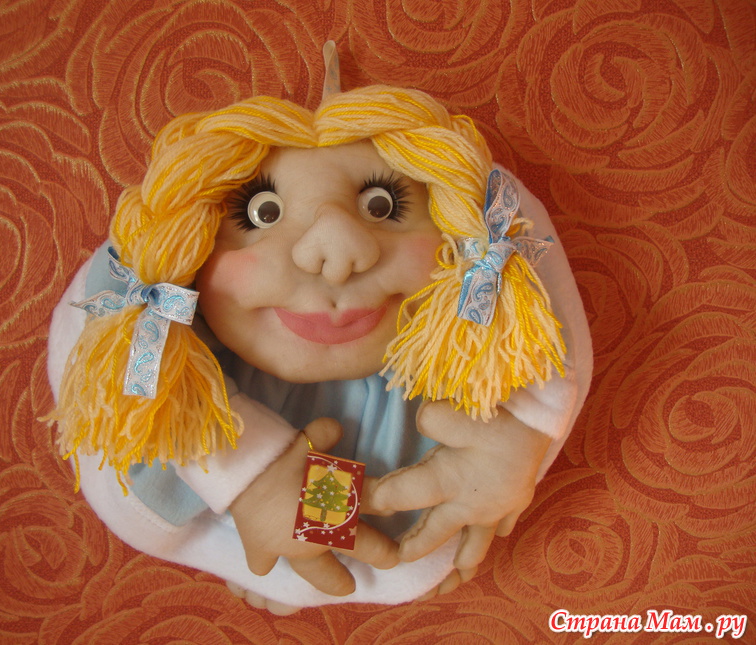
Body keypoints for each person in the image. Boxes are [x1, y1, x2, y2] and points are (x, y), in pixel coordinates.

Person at [47, 81, 592, 612]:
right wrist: (244, 473)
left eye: (383, 205)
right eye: (262, 213)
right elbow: (125, 408)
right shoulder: (175, 342)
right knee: (283, 544)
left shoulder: (467, 322)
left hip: (427, 465)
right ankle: (298, 568)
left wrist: (518, 434)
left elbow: (523, 278)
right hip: (245, 476)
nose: (335, 253)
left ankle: (336, 570)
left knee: (397, 548)